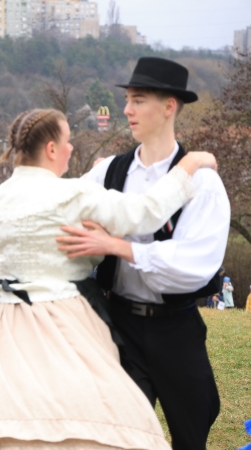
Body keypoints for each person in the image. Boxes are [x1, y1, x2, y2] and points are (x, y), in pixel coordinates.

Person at [0, 108, 217, 449]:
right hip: (56, 315)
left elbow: (46, 202)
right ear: (53, 149)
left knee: (3, 406)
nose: (72, 148)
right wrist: (188, 166)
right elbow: (145, 214)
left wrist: (96, 172)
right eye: (68, 141)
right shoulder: (72, 196)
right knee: (79, 413)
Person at [55, 57, 230, 449]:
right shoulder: (109, 172)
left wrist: (116, 246)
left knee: (192, 425)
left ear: (169, 106)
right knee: (116, 436)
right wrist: (14, 217)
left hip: (176, 329)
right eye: (128, 99)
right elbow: (59, 205)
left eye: (139, 100)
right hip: (118, 326)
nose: (127, 110)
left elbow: (193, 268)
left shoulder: (203, 184)